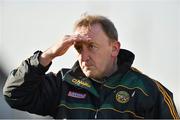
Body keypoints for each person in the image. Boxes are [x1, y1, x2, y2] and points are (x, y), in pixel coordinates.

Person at [3, 14, 179, 119]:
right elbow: (14, 94)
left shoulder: (148, 90)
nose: (84, 56)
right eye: (79, 48)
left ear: (114, 48)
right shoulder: (63, 84)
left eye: (92, 47)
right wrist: (48, 55)